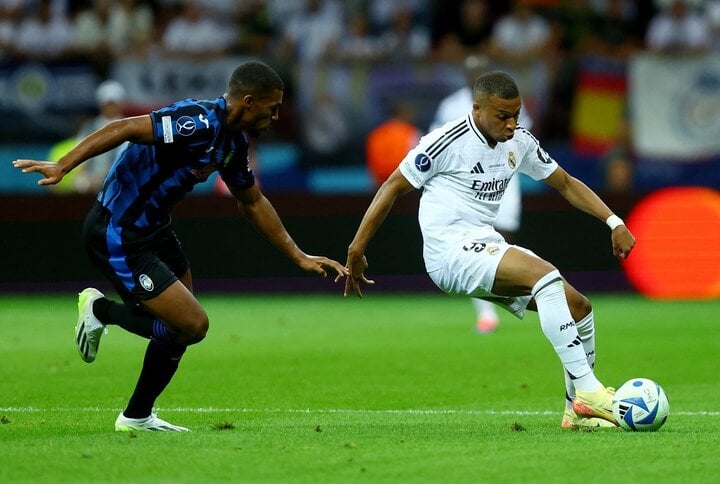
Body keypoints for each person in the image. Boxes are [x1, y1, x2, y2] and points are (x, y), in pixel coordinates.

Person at [14, 61, 348, 432]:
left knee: (180, 330)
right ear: (249, 102)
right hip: (119, 231)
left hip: (156, 230)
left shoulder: (233, 144)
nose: (276, 116)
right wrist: (64, 165)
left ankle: (137, 415)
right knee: (192, 324)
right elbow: (123, 127)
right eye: (272, 108)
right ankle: (101, 310)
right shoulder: (196, 122)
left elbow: (252, 202)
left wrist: (298, 255)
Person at [342, 71, 636, 429]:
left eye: (516, 114)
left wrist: (614, 221)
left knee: (579, 307)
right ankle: (590, 391)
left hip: (485, 243)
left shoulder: (520, 141)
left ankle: (577, 410)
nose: (511, 124)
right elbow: (391, 187)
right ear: (477, 109)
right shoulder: (446, 141)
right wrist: (357, 248)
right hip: (448, 252)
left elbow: (566, 183)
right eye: (502, 116)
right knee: (546, 276)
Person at [429, 55, 532, 333]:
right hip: (466, 187)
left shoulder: (504, 100)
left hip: (504, 180)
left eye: (478, 71)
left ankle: (502, 298)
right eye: (469, 71)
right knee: (474, 244)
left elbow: (523, 134)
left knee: (504, 237)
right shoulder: (451, 105)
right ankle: (486, 312)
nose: (473, 75)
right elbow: (434, 143)